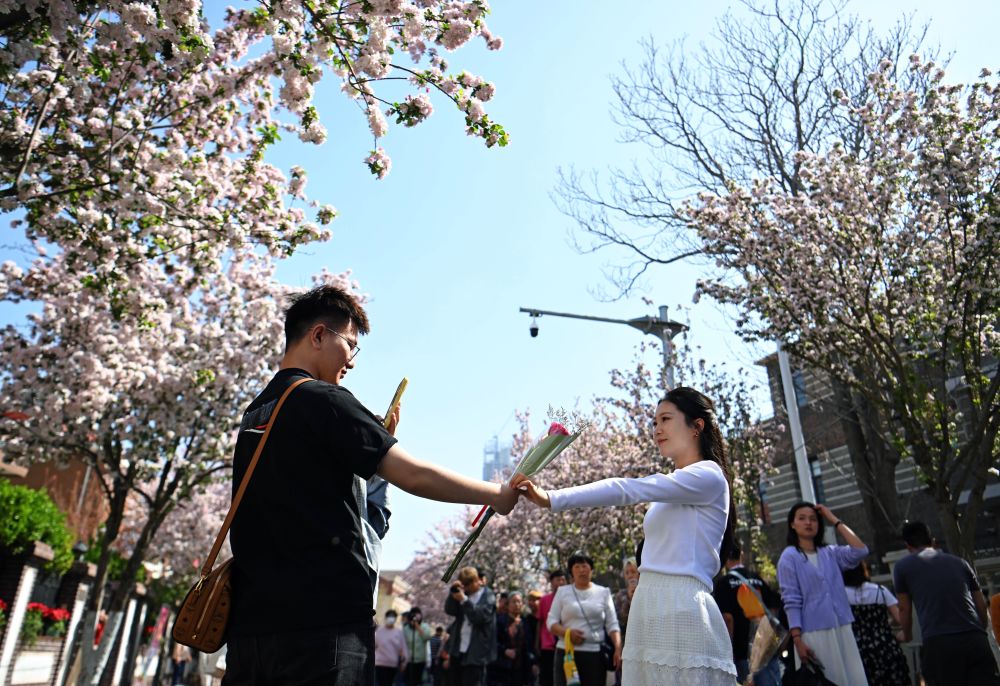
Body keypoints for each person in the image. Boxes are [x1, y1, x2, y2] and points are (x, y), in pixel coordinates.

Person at [223, 285, 520, 686]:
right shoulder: (325, 400)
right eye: (350, 345)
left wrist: (370, 444)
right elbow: (413, 474)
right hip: (322, 625)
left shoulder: (256, 412)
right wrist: (496, 494)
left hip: (251, 628)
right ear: (318, 335)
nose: (352, 361)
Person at [514, 387, 740, 685]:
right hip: (650, 603)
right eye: (654, 422)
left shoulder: (708, 475)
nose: (657, 429)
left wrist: (551, 498)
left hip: (681, 604)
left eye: (666, 419)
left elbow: (626, 489)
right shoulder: (675, 489)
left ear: (697, 425)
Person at [893, 521, 1000, 686]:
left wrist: (906, 635)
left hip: (939, 643)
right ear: (933, 541)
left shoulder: (902, 567)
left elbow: (904, 608)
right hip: (975, 640)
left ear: (908, 546)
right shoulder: (961, 563)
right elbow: (980, 604)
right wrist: (980, 630)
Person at [776, 501, 868, 686]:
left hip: (842, 628)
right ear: (792, 524)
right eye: (802, 518)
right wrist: (797, 640)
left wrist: (832, 519)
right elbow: (791, 601)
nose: (808, 523)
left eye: (813, 519)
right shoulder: (789, 557)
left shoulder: (830, 553)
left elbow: (860, 551)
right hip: (814, 633)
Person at [544, 552, 621, 686]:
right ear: (571, 572)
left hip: (594, 655)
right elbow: (551, 622)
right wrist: (567, 633)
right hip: (567, 653)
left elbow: (612, 624)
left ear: (591, 570)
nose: (581, 570)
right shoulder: (563, 592)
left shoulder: (603, 592)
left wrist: (618, 647)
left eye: (584, 566)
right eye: (577, 567)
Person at [712, 542, 782, 686]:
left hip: (741, 651)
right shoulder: (756, 578)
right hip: (765, 647)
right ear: (741, 555)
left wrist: (727, 652)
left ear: (723, 557)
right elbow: (774, 608)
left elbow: (727, 619)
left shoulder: (723, 583)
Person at [840, 561, 909, 685]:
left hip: (858, 649)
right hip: (886, 647)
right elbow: (900, 618)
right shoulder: (880, 590)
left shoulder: (840, 595)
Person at [445, 566, 497, 686]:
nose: (466, 587)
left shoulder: (488, 595)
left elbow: (480, 617)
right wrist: (453, 593)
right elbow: (450, 610)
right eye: (464, 584)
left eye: (468, 584)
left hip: (476, 653)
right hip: (458, 650)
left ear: (477, 581)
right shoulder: (463, 593)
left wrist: (464, 600)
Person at [489, 591, 529, 686]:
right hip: (502, 667)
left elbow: (528, 645)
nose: (517, 604)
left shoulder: (525, 622)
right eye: (514, 601)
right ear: (508, 604)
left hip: (521, 667)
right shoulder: (499, 621)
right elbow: (492, 641)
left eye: (519, 601)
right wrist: (504, 651)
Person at [536, 570, 566, 686]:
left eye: (563, 580)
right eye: (558, 580)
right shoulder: (544, 600)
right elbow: (540, 622)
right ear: (552, 582)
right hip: (547, 645)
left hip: (566, 643)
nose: (561, 582)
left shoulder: (570, 600)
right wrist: (537, 644)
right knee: (547, 676)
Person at [376, 610, 409, 686]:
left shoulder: (398, 632)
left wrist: (404, 663)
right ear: (386, 618)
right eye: (389, 616)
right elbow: (374, 646)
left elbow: (404, 648)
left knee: (388, 683)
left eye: (393, 617)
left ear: (395, 619)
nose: (391, 618)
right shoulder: (379, 631)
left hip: (392, 665)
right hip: (379, 663)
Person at [404, 606, 433, 686]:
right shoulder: (406, 628)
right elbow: (403, 643)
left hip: (420, 660)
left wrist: (417, 626)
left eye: (417, 614)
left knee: (418, 681)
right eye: (414, 614)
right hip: (409, 660)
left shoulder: (425, 626)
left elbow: (427, 637)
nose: (416, 616)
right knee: (408, 681)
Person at [523, 590, 542, 684]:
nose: (532, 603)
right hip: (530, 659)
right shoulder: (527, 619)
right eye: (530, 600)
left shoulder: (546, 619)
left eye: (535, 600)